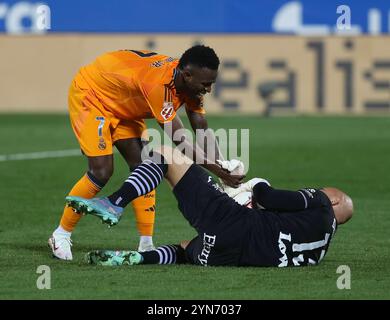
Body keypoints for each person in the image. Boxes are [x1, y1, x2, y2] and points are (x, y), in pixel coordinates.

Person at [48, 45, 244, 261]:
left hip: (124, 102)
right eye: (206, 84)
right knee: (101, 171)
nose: (208, 90)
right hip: (93, 95)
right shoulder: (159, 85)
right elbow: (181, 141)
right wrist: (219, 170)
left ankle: (146, 243)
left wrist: (222, 166)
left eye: (211, 84)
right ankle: (61, 234)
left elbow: (201, 127)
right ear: (187, 75)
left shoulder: (191, 84)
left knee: (146, 167)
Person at [65, 145, 353, 267]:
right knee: (185, 248)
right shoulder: (320, 249)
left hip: (236, 224)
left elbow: (268, 199)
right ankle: (140, 258)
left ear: (336, 200)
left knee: (165, 155)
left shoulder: (322, 203)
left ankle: (115, 202)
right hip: (230, 256)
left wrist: (259, 184)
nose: (322, 189)